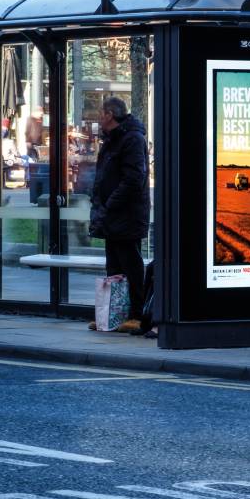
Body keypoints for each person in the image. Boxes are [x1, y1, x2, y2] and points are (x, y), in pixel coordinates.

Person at [88, 97, 150, 334]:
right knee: (113, 265)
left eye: (100, 113)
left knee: (130, 264)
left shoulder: (131, 139)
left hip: (126, 213)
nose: (98, 118)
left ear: (110, 114)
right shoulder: (112, 140)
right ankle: (113, 315)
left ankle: (137, 315)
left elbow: (134, 178)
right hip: (111, 213)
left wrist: (111, 203)